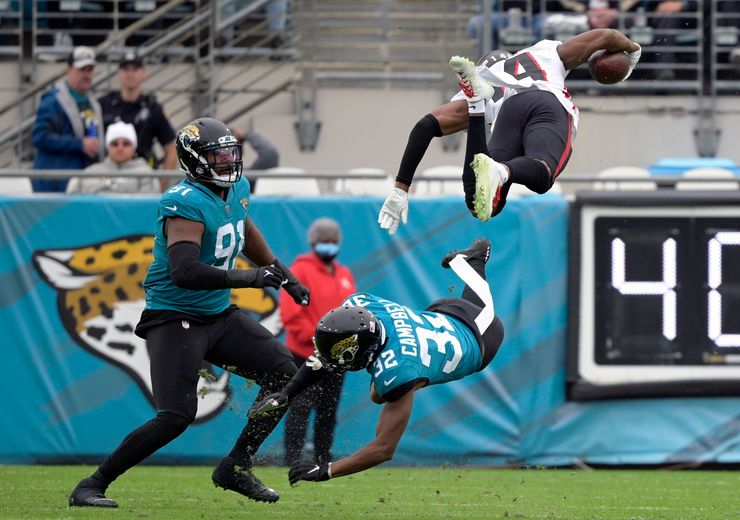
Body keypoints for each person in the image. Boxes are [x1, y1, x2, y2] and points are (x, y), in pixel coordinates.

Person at [68, 117, 311, 508]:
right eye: (219, 155)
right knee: (176, 416)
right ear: (195, 160)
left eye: (232, 152)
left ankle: (236, 464)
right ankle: (92, 485)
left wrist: (285, 275)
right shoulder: (184, 201)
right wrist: (252, 278)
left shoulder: (235, 188)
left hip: (216, 315)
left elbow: (244, 231)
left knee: (286, 373)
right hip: (174, 316)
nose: (229, 161)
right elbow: (185, 272)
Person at [250, 237, 504, 484]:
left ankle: (475, 261)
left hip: (478, 336)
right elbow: (329, 355)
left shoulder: (398, 368)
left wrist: (326, 471)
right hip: (438, 317)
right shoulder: (363, 306)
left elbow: (384, 448)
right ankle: (469, 262)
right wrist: (289, 392)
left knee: (382, 392)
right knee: (381, 392)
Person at [377, 28, 641, 231]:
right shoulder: (541, 54)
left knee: (479, 204)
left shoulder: (486, 76)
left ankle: (476, 107)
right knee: (542, 175)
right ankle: (502, 169)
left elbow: (425, 126)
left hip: (507, 114)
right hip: (545, 101)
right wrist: (632, 48)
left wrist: (401, 188)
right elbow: (605, 36)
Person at [279, 217, 356, 465]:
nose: (329, 246)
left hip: (336, 358)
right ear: (314, 243)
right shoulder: (300, 270)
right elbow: (291, 315)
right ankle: (292, 459)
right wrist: (319, 341)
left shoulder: (344, 274)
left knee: (328, 411)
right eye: (324, 241)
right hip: (305, 354)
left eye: (333, 241)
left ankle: (324, 460)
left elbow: (352, 313)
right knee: (300, 408)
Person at [31, 46, 104, 193]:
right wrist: (79, 144)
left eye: (89, 70)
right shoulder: (52, 101)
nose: (86, 74)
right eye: (81, 69)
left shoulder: (92, 102)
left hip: (82, 182)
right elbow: (39, 137)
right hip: (54, 183)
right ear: (69, 70)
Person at [99, 51, 177, 180]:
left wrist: (162, 186)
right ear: (118, 73)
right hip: (108, 178)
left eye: (135, 69)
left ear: (143, 73)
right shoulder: (103, 105)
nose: (130, 74)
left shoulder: (153, 108)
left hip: (143, 179)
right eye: (126, 69)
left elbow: (171, 148)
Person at [67, 121, 159, 194]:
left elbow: (147, 209)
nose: (120, 148)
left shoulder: (147, 173)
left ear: (134, 147)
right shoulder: (88, 173)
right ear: (108, 147)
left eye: (126, 143)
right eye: (114, 143)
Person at [230, 126, 280, 193]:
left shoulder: (244, 176)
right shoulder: (238, 177)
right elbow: (270, 155)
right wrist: (246, 134)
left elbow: (270, 155)